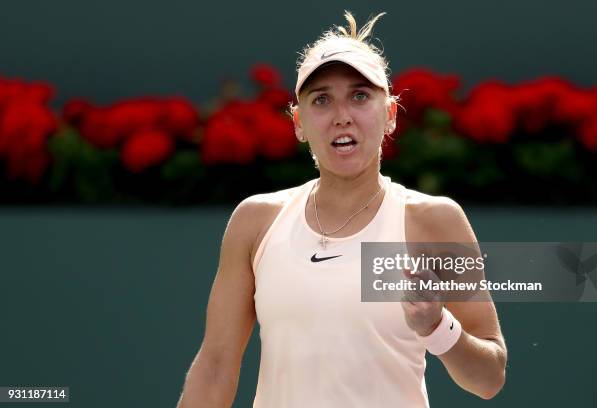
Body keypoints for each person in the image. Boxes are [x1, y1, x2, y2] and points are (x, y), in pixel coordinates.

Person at [176, 11, 507, 407]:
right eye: (321, 100)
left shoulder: (434, 221)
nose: (342, 116)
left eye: (360, 95)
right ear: (299, 122)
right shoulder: (255, 221)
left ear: (389, 115)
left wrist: (438, 327)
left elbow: (490, 378)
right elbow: (215, 366)